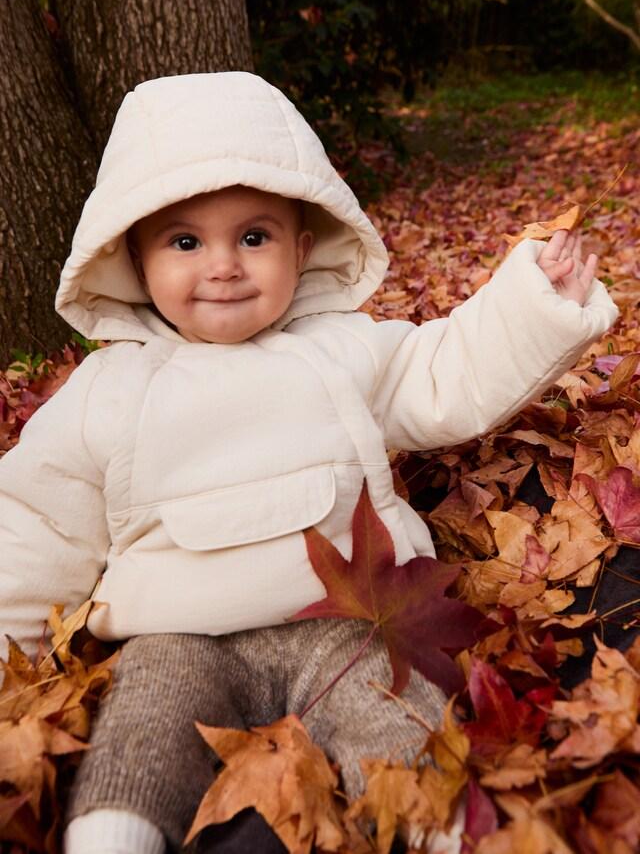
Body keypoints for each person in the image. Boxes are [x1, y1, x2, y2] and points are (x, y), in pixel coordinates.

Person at [0, 72, 618, 854]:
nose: (222, 264)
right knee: (143, 725)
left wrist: (533, 301)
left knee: (390, 702)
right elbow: (35, 522)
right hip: (174, 633)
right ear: (133, 257)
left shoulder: (338, 350)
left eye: (252, 237)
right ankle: (115, 835)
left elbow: (443, 371)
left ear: (301, 246)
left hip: (343, 617)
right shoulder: (112, 388)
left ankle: (438, 827)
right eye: (186, 242)